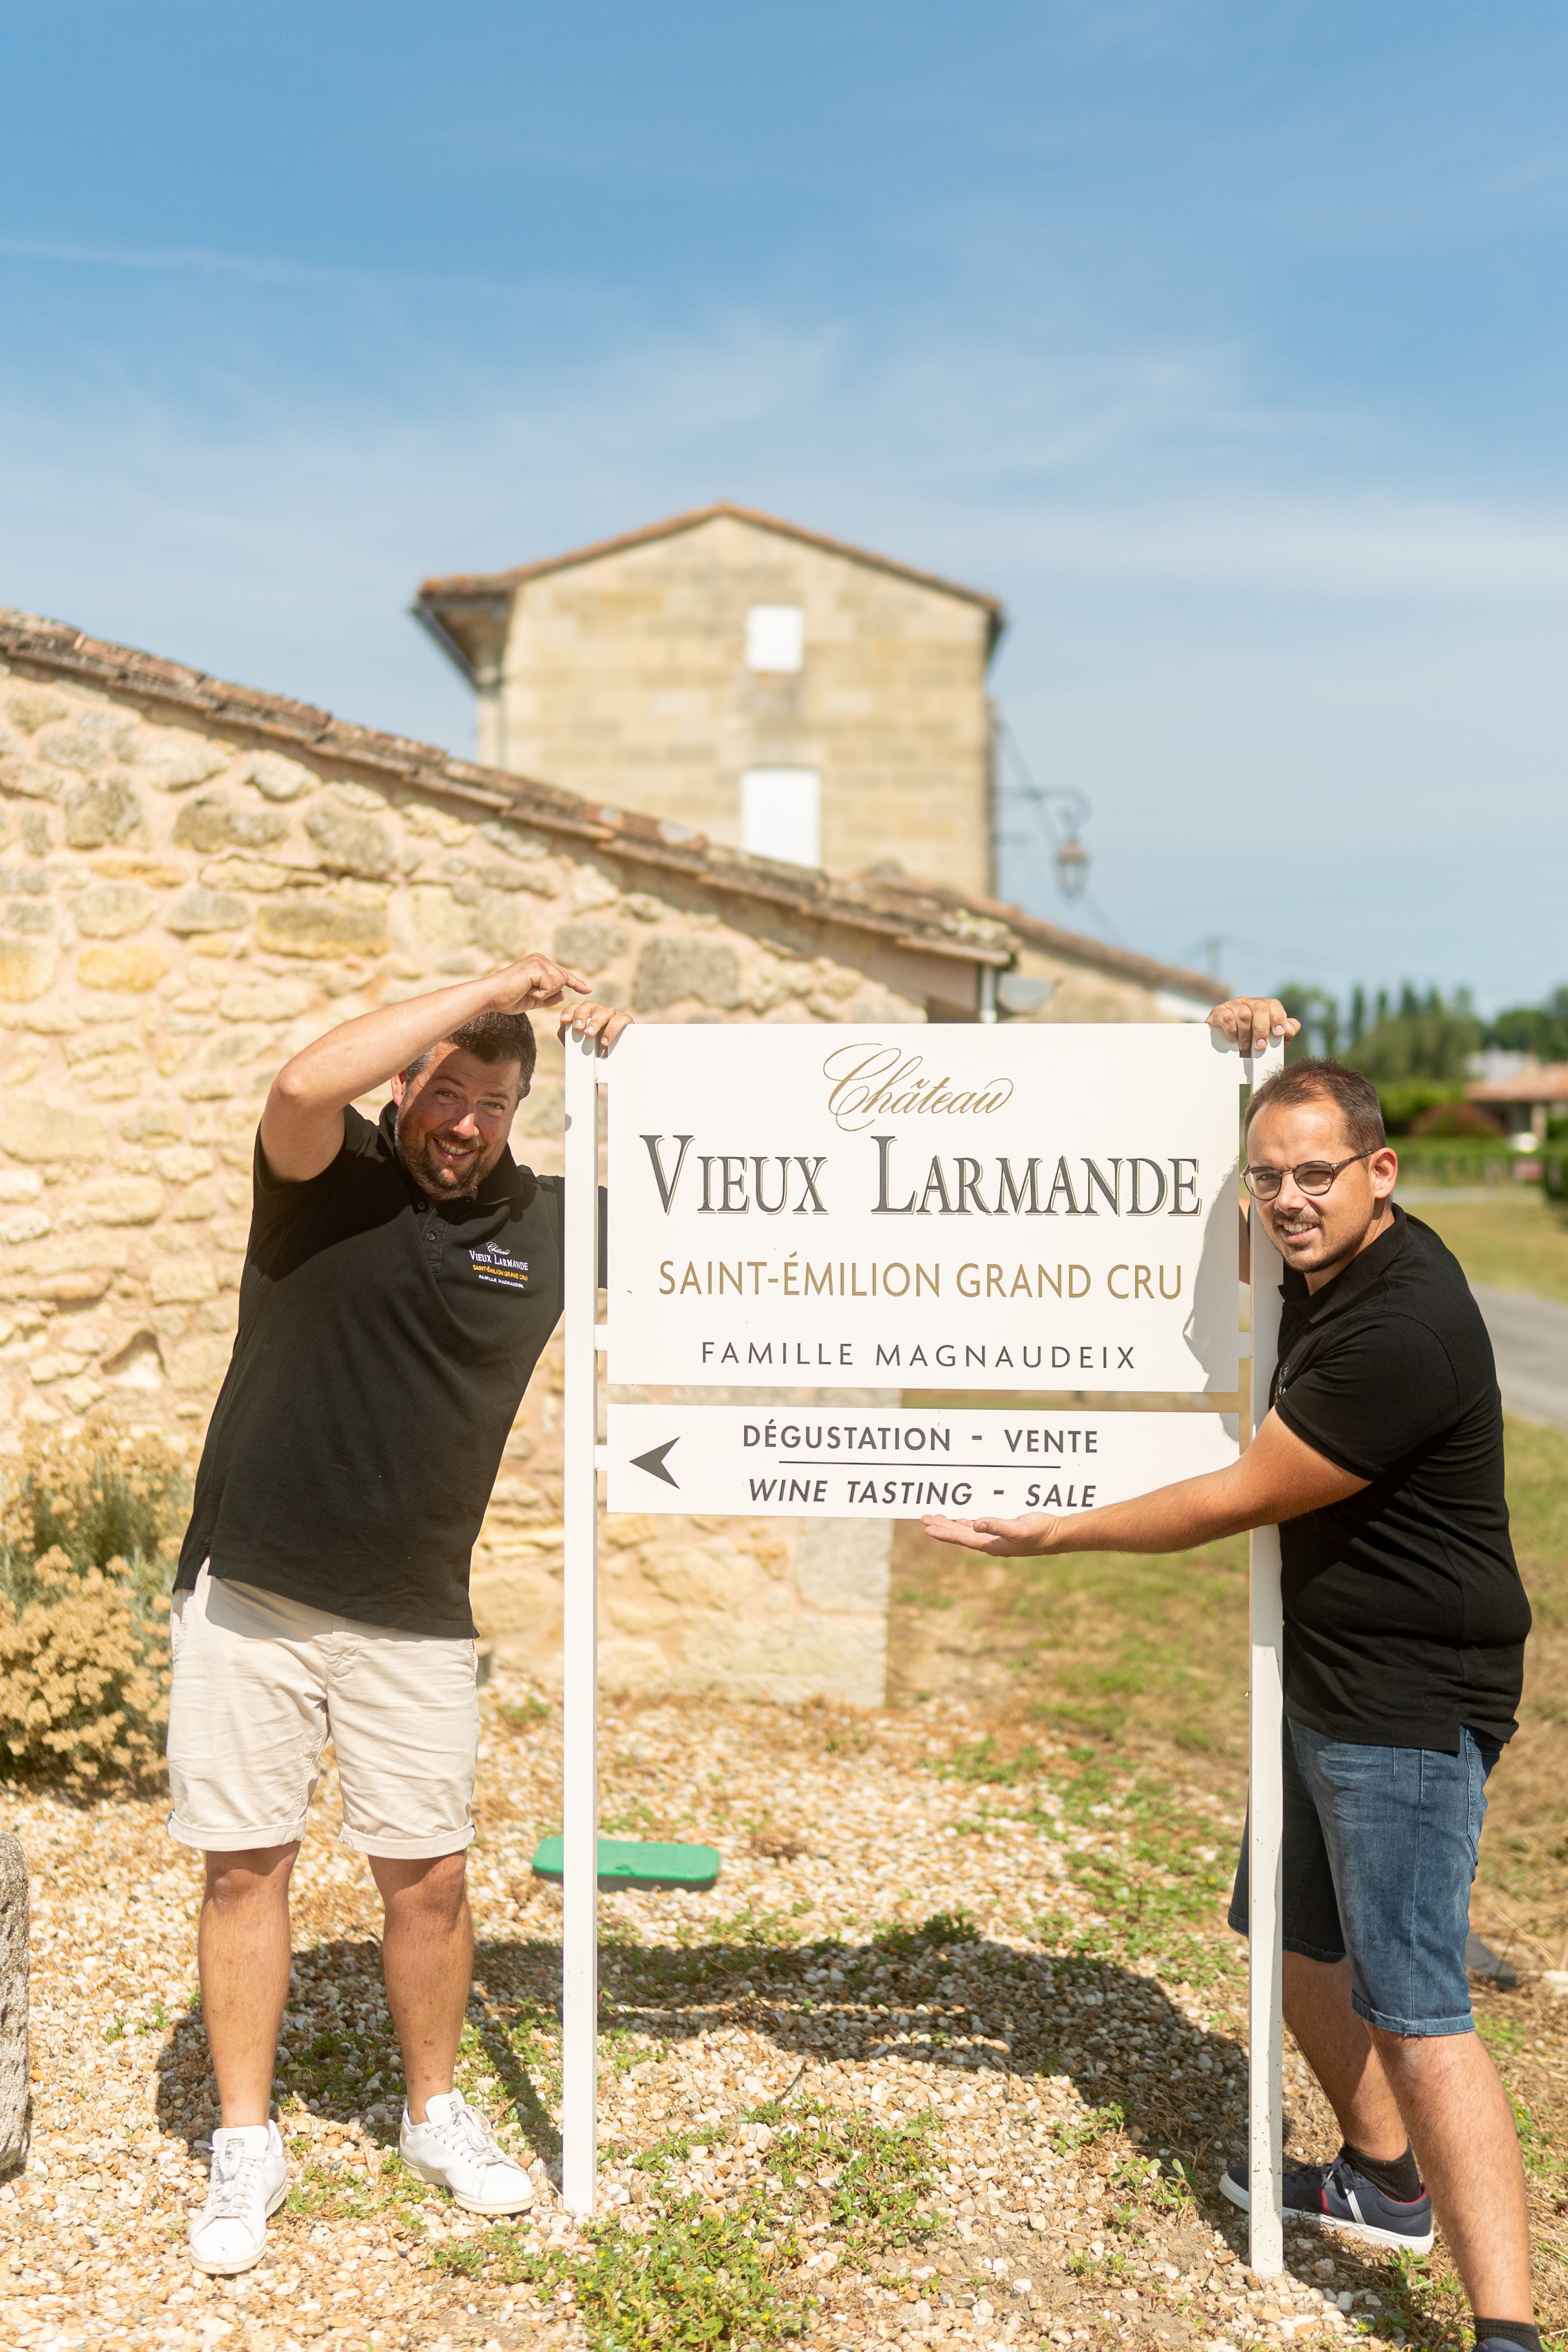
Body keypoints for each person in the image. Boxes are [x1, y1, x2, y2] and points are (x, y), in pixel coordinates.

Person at [923, 994, 1537, 2352]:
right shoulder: (1333, 1264)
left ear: (1382, 1173)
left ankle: (1506, 2330)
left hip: (1407, 1704)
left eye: (1317, 1174)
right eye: (1265, 1178)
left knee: (1422, 2007)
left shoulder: (1402, 1328)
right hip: (1324, 1674)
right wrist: (1246, 1045)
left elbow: (1233, 1499)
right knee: (1293, 1942)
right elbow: (1187, 1141)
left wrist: (1056, 1531)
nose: (1287, 1200)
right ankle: (1380, 2185)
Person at [166, 953, 631, 2277]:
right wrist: (494, 984)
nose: (466, 1121)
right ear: (407, 1088)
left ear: (518, 1116)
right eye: (447, 1090)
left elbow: (724, 1215)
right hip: (250, 1586)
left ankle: (433, 2113)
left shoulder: (544, 1225)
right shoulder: (327, 1181)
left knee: (426, 1879)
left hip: (416, 1614)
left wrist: (614, 1065)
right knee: (247, 1862)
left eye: (495, 1101)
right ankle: (246, 2142)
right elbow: (302, 1079)